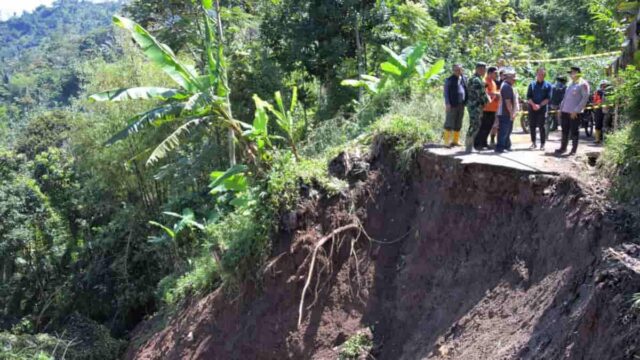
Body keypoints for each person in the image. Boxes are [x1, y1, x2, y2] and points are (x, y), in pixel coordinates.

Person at [555, 66, 590, 156]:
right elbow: (565, 98)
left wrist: (577, 110)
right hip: (565, 111)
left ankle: (573, 150)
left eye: (573, 72)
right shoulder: (571, 84)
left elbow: (585, 98)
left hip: (574, 113)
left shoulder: (583, 84)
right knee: (564, 130)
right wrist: (561, 108)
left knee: (574, 131)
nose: (571, 74)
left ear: (578, 73)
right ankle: (563, 148)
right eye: (570, 73)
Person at [465, 62, 490, 153]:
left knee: (475, 124)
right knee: (475, 125)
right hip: (475, 106)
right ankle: (469, 146)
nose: (484, 71)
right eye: (483, 69)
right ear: (479, 69)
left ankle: (470, 146)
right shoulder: (476, 80)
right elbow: (481, 94)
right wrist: (487, 102)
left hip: (474, 105)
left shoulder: (475, 79)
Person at [526, 67, 552, 150]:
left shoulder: (548, 85)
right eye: (539, 74)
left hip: (542, 108)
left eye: (542, 74)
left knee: (542, 126)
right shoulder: (532, 84)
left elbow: (548, 99)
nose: (540, 75)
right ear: (536, 74)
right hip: (532, 108)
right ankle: (533, 143)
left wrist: (539, 106)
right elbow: (528, 97)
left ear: (544, 75)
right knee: (532, 126)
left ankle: (542, 144)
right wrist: (533, 105)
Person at [475, 66, 500, 150]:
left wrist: (496, 95)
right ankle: (478, 144)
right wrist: (495, 94)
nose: (497, 75)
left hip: (493, 108)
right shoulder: (484, 81)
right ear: (489, 73)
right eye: (495, 73)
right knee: (483, 127)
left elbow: (492, 93)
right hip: (486, 108)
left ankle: (484, 143)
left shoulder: (493, 82)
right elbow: (485, 93)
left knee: (488, 127)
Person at [495, 68, 519, 153]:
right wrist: (511, 113)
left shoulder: (508, 86)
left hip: (506, 113)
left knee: (507, 130)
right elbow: (508, 102)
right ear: (508, 78)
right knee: (504, 131)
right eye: (513, 79)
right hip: (505, 113)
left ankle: (506, 145)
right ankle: (500, 147)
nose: (514, 81)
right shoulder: (506, 86)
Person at [443, 64, 467, 147]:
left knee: (458, 122)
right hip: (452, 104)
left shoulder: (464, 78)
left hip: (461, 104)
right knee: (449, 121)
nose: (458, 71)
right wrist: (447, 103)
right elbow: (446, 93)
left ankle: (455, 141)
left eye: (459, 70)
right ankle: (446, 142)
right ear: (453, 71)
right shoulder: (449, 80)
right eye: (456, 70)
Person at [592, 80, 608, 144]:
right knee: (598, 124)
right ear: (601, 86)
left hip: (608, 110)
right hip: (599, 109)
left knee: (606, 124)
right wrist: (595, 105)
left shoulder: (610, 92)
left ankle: (606, 139)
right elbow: (594, 100)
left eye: (605, 85)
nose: (604, 86)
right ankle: (597, 139)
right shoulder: (598, 92)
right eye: (602, 85)